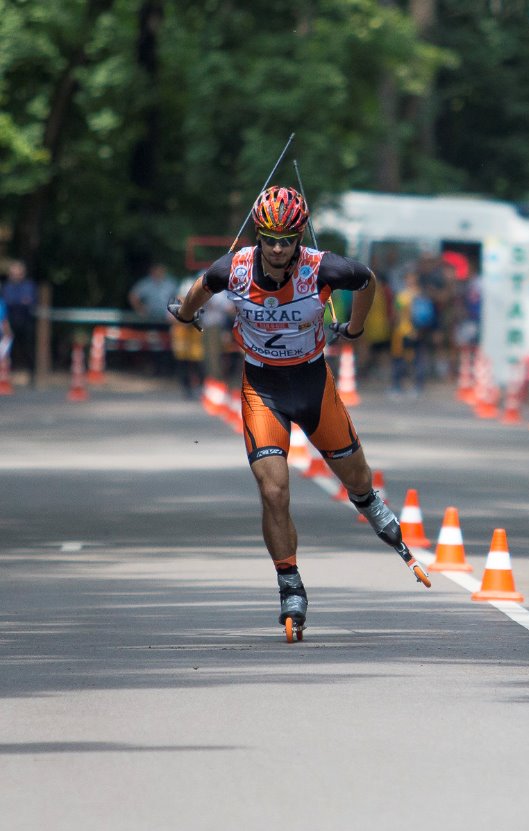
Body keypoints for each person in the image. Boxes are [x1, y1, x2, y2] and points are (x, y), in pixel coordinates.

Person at [167, 186, 430, 634]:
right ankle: (290, 584)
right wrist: (186, 313)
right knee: (274, 490)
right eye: (269, 238)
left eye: (287, 239)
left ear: (299, 237)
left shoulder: (321, 267)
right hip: (262, 389)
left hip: (313, 384)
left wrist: (355, 326)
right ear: (258, 235)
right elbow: (197, 293)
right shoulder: (234, 267)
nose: (277, 248)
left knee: (358, 480)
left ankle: (370, 504)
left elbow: (367, 280)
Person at [1, 260, 37, 382]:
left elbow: (29, 301)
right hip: (10, 321)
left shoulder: (29, 285)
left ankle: (32, 375)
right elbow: (8, 301)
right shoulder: (7, 287)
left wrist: (19, 302)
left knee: (28, 348)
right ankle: (6, 375)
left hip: (26, 320)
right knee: (7, 348)